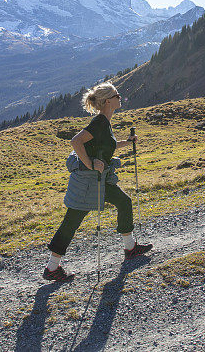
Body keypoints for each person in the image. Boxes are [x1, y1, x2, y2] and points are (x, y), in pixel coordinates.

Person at [43, 82, 153, 281]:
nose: (120, 98)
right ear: (108, 101)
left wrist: (127, 143)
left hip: (99, 180)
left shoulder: (104, 122)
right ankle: (52, 268)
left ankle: (130, 248)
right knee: (71, 222)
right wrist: (91, 164)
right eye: (117, 95)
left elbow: (105, 145)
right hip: (88, 183)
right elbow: (76, 141)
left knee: (123, 202)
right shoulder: (100, 122)